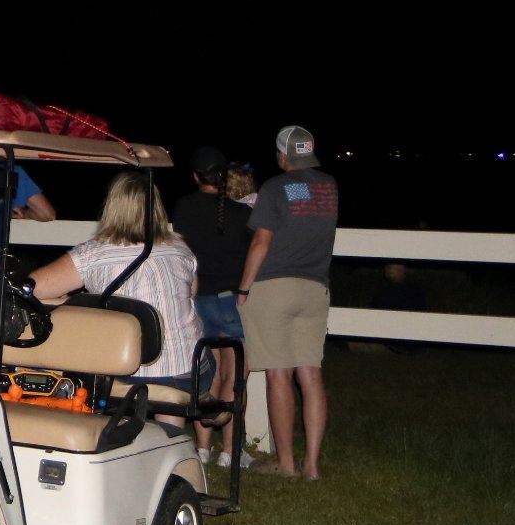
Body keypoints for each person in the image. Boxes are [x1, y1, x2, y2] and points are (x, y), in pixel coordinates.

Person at [28, 173, 204, 391]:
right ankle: (172, 424)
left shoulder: (92, 255)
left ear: (112, 207)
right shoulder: (180, 249)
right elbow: (190, 294)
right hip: (188, 369)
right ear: (157, 208)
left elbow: (31, 288)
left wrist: (72, 300)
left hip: (125, 368)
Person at [236, 125, 340, 480]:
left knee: (279, 374)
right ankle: (312, 466)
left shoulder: (275, 187)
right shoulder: (329, 187)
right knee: (310, 373)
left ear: (282, 156)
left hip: (274, 287)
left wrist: (244, 288)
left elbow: (261, 243)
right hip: (315, 288)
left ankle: (286, 463)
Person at [170, 147, 249, 469]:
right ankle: (230, 453)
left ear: (195, 176)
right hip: (231, 301)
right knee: (234, 376)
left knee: (208, 375)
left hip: (197, 299)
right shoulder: (243, 214)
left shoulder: (185, 207)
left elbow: (180, 250)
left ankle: (203, 449)